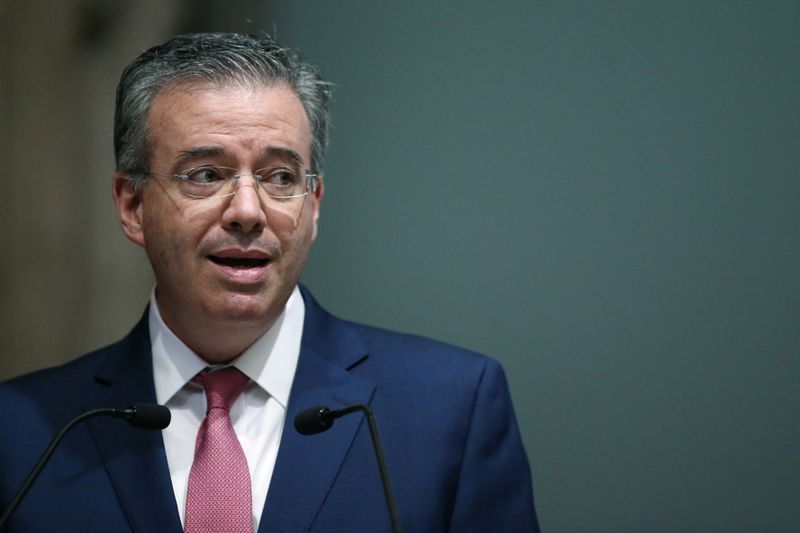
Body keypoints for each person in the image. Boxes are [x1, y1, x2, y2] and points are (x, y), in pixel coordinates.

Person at [0, 33, 539, 532]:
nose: (247, 211)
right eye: (206, 174)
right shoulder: (23, 433)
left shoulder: (450, 409)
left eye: (280, 177)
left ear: (314, 206)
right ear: (132, 205)